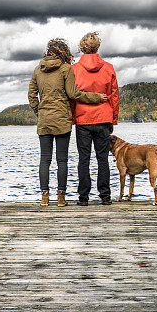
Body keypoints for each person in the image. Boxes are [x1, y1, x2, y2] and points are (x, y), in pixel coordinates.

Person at [28, 38, 107, 207]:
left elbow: (32, 96)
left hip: (44, 121)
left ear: (48, 52)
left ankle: (44, 197)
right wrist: (96, 97)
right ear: (63, 52)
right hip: (62, 120)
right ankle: (61, 198)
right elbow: (73, 94)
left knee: (45, 160)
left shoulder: (37, 70)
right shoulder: (65, 69)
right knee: (62, 160)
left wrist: (40, 112)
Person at [71, 32, 119, 206]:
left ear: (82, 47)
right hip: (103, 117)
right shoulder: (109, 68)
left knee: (84, 158)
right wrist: (113, 119)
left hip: (83, 119)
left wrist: (73, 117)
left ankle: (83, 198)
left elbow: (72, 96)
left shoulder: (75, 69)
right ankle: (105, 196)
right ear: (97, 46)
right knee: (102, 159)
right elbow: (114, 96)